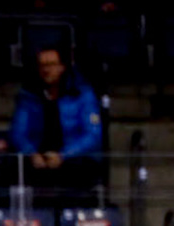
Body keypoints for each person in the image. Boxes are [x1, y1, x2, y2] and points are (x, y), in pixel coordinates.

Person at [8, 47, 103, 201]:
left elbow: (93, 135)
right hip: (38, 159)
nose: (46, 70)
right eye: (42, 65)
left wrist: (63, 155)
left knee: (80, 172)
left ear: (62, 67)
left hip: (74, 159)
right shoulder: (28, 95)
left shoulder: (82, 94)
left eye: (51, 64)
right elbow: (18, 133)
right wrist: (32, 153)